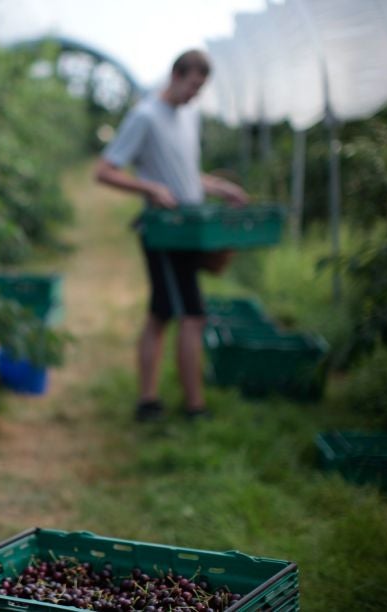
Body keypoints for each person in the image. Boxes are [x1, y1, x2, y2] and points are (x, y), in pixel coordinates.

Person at [95, 50, 248, 422]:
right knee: (192, 316)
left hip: (189, 231)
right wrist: (148, 189)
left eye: (202, 87)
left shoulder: (189, 116)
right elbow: (104, 171)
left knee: (162, 314)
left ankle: (148, 401)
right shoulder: (146, 117)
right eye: (194, 84)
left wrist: (217, 187)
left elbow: (184, 176)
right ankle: (195, 406)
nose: (197, 94)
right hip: (163, 232)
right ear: (177, 75)